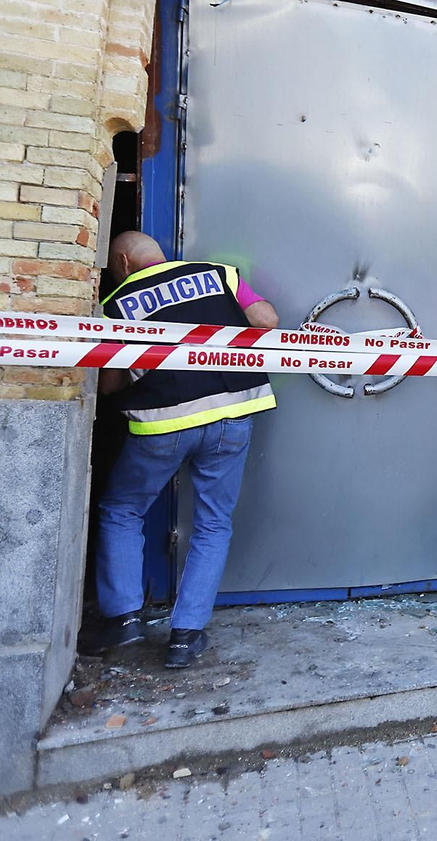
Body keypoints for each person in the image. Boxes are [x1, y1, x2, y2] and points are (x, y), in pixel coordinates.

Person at [83, 231, 279, 668]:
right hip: (232, 413)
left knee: (121, 509)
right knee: (213, 522)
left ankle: (124, 619)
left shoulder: (117, 303)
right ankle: (185, 637)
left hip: (163, 423)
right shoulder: (218, 274)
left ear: (122, 261)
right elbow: (266, 320)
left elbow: (110, 383)